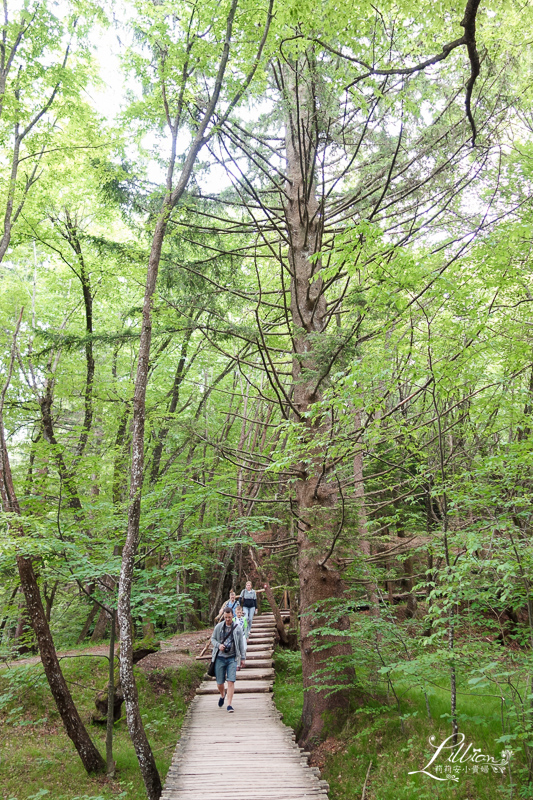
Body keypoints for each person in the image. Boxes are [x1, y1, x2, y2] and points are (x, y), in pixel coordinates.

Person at [210, 605, 246, 712]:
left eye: (229, 617)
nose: (227, 619)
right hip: (220, 658)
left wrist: (242, 658)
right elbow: (213, 639)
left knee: (231, 681)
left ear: (232, 616)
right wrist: (218, 646)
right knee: (220, 682)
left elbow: (240, 644)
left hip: (232, 658)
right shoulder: (219, 627)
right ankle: (222, 694)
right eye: (225, 617)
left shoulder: (237, 628)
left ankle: (229, 704)